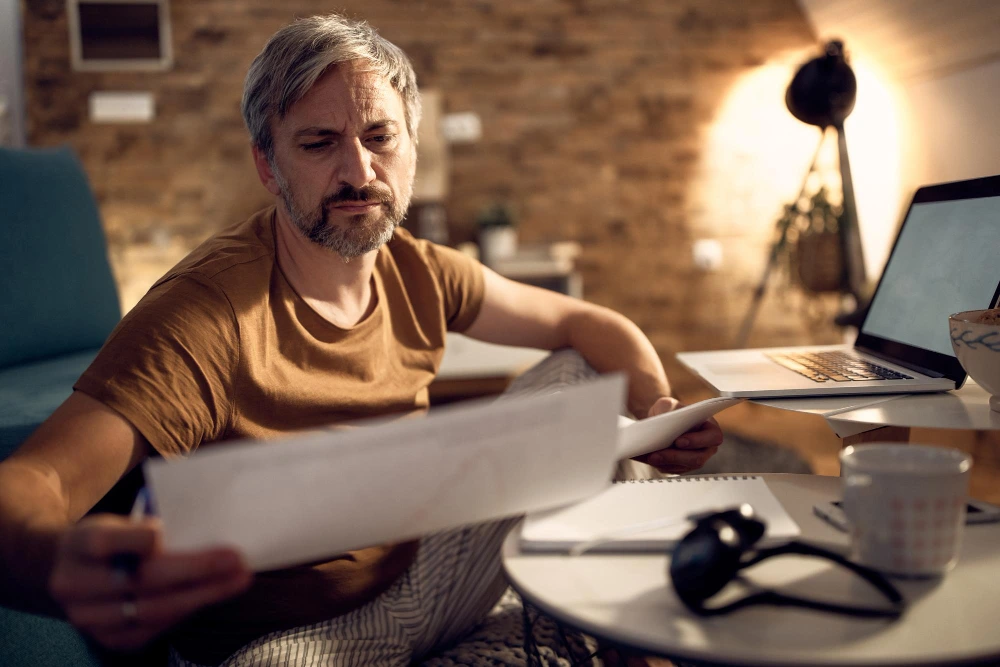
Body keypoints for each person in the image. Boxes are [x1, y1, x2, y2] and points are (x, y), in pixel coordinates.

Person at [0, 13, 723, 666]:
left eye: (379, 138)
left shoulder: (423, 268)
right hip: (285, 643)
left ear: (409, 145)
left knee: (579, 378)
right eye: (318, 144)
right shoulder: (206, 313)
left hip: (422, 579)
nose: (358, 172)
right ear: (267, 162)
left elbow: (586, 323)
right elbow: (38, 483)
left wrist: (656, 408)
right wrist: (59, 559)